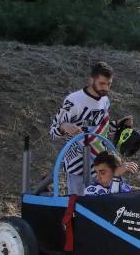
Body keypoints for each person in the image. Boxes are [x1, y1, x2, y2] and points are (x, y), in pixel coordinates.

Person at [49, 62, 133, 195]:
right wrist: (64, 127)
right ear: (91, 80)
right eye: (102, 83)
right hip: (77, 163)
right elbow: (53, 132)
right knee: (77, 205)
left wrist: (118, 124)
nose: (106, 88)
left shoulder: (105, 100)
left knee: (104, 203)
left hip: (100, 163)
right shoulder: (73, 100)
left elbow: (100, 130)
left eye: (109, 84)